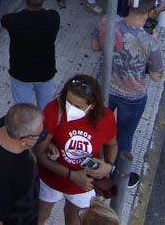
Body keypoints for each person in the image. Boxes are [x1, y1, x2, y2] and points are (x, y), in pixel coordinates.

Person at [92, 0, 163, 190]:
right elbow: (157, 76)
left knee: (98, 126)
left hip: (105, 88)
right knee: (124, 136)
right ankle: (118, 175)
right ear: (150, 12)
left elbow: (95, 47)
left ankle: (95, 164)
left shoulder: (107, 22)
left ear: (130, 3)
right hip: (132, 96)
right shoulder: (150, 42)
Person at [35, 75, 117, 225]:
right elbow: (40, 153)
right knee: (39, 217)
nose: (70, 108)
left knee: (75, 220)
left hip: (84, 185)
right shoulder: (54, 110)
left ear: (92, 105)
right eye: (68, 101)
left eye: (78, 106)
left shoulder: (106, 118)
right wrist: (72, 175)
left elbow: (112, 144)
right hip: (51, 180)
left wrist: (109, 166)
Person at [0, 104, 44, 225]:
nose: (42, 136)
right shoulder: (1, 177)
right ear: (23, 141)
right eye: (39, 135)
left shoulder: (5, 125)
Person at [2, 0, 61, 109]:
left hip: (21, 73)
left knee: (23, 112)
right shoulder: (54, 17)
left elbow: (4, 19)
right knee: (45, 110)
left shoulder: (13, 20)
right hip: (46, 72)